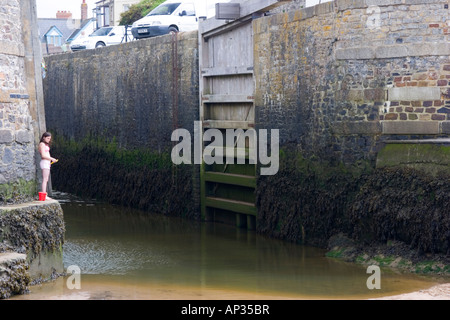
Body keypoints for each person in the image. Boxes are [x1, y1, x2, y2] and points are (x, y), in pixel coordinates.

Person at [39, 132, 57, 197]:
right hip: (44, 162)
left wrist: (50, 160)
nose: (49, 140)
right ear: (44, 137)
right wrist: (51, 158)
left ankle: (44, 195)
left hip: (47, 163)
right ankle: (44, 195)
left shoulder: (46, 145)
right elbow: (43, 155)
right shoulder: (42, 144)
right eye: (48, 138)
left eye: (50, 138)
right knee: (45, 179)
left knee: (46, 179)